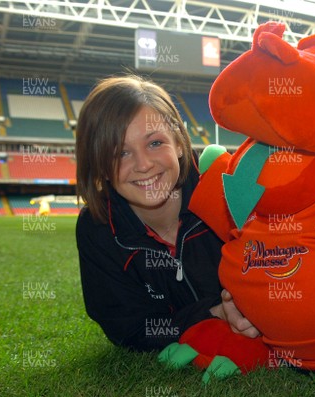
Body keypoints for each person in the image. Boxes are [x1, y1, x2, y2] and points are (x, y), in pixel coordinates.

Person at [75, 75, 257, 351]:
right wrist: (214, 313)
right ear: (100, 167)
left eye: (155, 143)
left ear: (180, 144)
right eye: (120, 153)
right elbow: (128, 327)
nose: (144, 164)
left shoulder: (228, 191)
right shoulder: (97, 228)